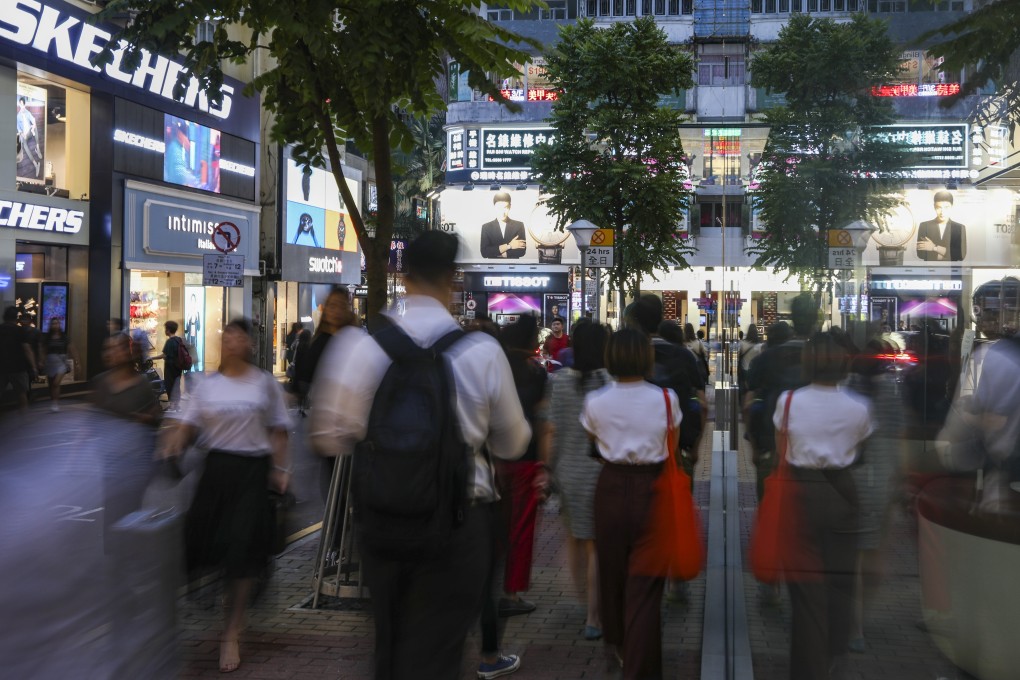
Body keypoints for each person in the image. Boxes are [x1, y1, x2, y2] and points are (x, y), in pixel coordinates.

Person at [309, 231, 530, 680]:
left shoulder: (360, 345)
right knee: (437, 653)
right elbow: (514, 443)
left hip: (383, 520)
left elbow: (329, 436)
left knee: (389, 646)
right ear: (454, 277)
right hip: (459, 522)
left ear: (401, 276)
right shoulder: (482, 351)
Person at [162, 318, 291, 674]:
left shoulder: (263, 384)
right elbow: (189, 424)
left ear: (249, 343)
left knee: (243, 551)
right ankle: (225, 607)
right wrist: (174, 441)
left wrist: (281, 471)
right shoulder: (207, 385)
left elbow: (279, 430)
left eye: (239, 337)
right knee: (203, 546)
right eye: (227, 336)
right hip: (217, 473)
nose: (231, 341)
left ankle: (231, 630)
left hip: (252, 472)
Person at [582, 328, 682, 679]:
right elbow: (673, 447)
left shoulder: (595, 401)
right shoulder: (667, 399)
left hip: (609, 486)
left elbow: (594, 443)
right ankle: (640, 666)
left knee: (613, 573)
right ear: (646, 357)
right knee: (646, 582)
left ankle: (622, 647)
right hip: (652, 487)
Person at [777, 331, 873, 680]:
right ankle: (835, 654)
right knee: (840, 580)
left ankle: (807, 667)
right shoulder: (859, 407)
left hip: (801, 489)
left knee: (805, 588)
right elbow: (860, 448)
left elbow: (782, 447)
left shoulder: (788, 401)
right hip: (843, 489)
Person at [539, 318, 610, 641]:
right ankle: (595, 614)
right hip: (601, 470)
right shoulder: (610, 382)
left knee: (575, 538)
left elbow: (551, 430)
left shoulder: (560, 381)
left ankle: (583, 598)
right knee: (597, 544)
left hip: (567, 471)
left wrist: (547, 468)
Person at [91, 332, 162, 426]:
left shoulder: (142, 384)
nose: (109, 353)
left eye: (116, 348)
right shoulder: (100, 382)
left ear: (128, 351)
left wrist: (144, 419)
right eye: (107, 349)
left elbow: (155, 416)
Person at [0, 306, 37, 412]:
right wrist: (33, 367)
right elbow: (27, 349)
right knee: (21, 394)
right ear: (16, 318)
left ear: (4, 317)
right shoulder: (20, 331)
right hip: (18, 367)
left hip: (1, 367)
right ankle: (24, 419)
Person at [916, 190, 967, 262]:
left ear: (951, 207)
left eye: (946, 207)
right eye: (939, 207)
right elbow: (921, 254)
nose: (942, 212)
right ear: (934, 207)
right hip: (930, 270)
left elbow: (960, 255)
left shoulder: (959, 228)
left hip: (952, 270)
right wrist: (947, 253)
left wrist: (934, 247)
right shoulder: (924, 226)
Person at [38, 317, 77, 412]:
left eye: (57, 323)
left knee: (56, 383)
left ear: (60, 325)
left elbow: (72, 349)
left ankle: (55, 403)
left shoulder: (64, 337)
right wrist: (41, 361)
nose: (55, 325)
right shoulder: (47, 337)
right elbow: (44, 351)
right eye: (53, 324)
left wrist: (77, 362)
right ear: (50, 325)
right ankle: (53, 401)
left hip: (61, 362)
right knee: (51, 384)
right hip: (50, 361)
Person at [480, 192, 527, 259]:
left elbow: (521, 251)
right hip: (493, 267)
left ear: (510, 207)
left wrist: (498, 253)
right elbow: (484, 252)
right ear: (494, 207)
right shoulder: (486, 227)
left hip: (513, 267)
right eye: (499, 208)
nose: (502, 212)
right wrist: (509, 246)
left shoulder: (519, 225)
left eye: (505, 207)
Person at [158, 320, 186, 410]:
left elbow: (164, 355)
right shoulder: (179, 340)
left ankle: (172, 406)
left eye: (166, 329)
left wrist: (150, 358)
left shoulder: (170, 342)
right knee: (176, 385)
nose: (165, 331)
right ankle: (177, 405)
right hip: (178, 367)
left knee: (169, 385)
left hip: (170, 368)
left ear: (168, 330)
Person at [17, 96, 42, 177]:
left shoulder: (28, 113)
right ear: (19, 105)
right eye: (21, 105)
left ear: (25, 105)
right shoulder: (18, 116)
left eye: (23, 105)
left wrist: (34, 125)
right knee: (24, 145)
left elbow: (33, 119)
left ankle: (37, 148)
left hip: (30, 132)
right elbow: (18, 128)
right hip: (24, 135)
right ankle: (35, 164)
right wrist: (21, 133)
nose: (22, 106)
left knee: (35, 127)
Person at [737, 324, 763, 403]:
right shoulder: (760, 346)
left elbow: (739, 356)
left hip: (744, 370)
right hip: (755, 371)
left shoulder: (743, 344)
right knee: (753, 390)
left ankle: (743, 405)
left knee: (744, 390)